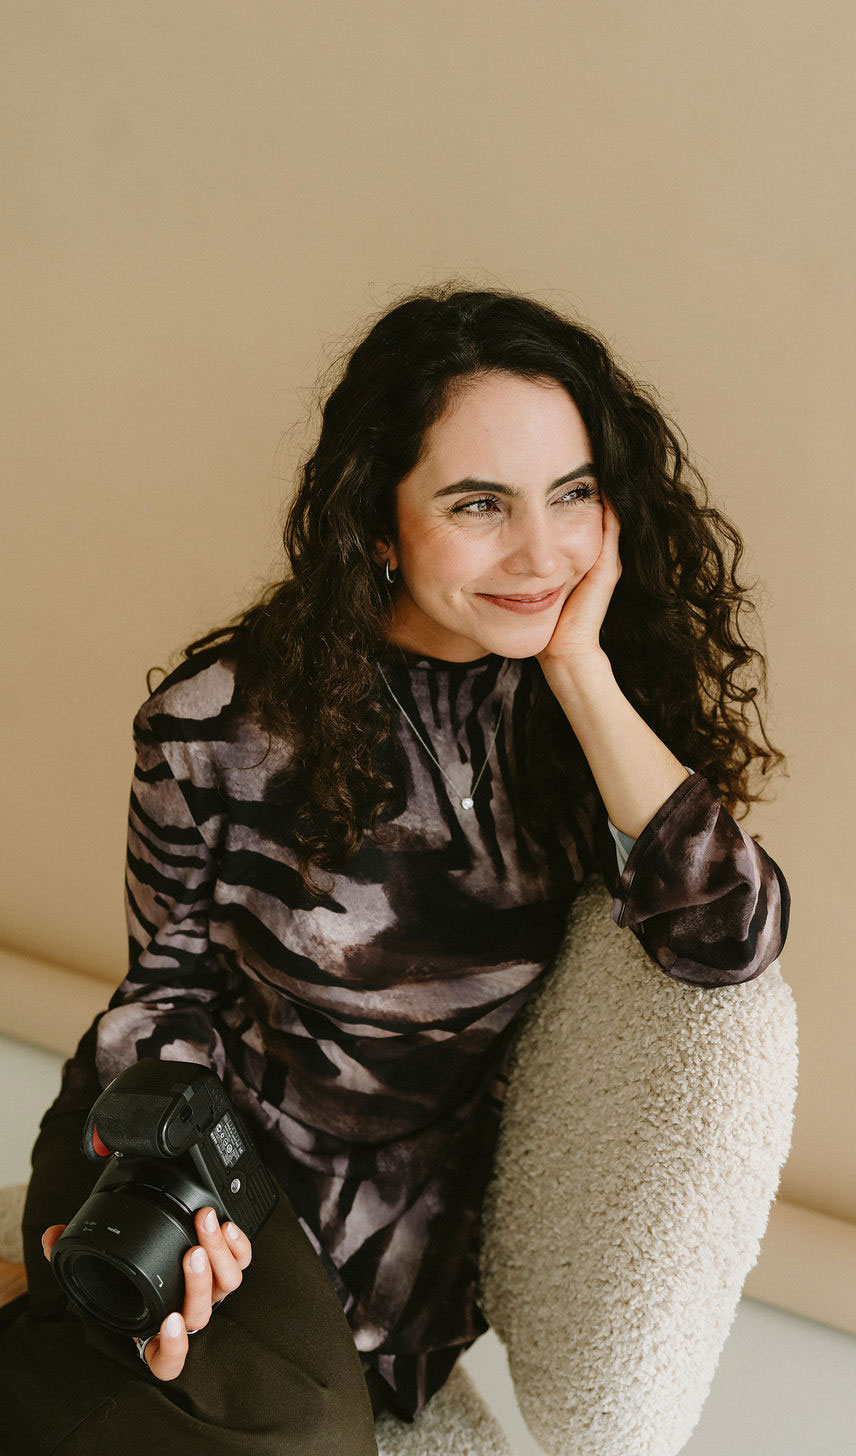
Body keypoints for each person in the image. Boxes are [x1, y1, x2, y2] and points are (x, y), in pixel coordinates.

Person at [0, 283, 790, 1454]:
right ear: (378, 520)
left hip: (396, 1228)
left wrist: (578, 671)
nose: (539, 550)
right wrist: (170, 1194)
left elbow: (726, 941)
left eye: (570, 495)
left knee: (280, 1420)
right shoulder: (213, 720)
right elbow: (164, 993)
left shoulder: (578, 730)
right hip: (205, 1134)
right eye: (480, 503)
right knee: (280, 1432)